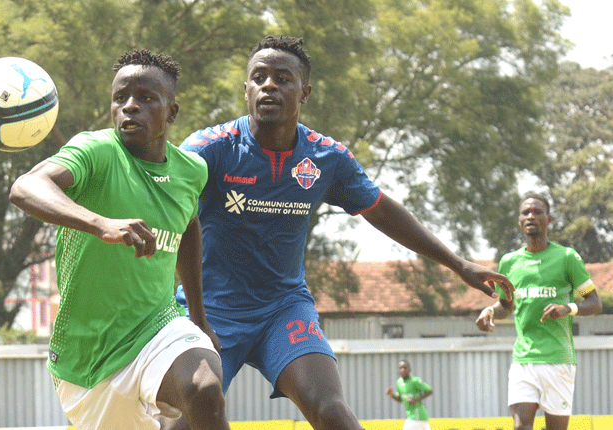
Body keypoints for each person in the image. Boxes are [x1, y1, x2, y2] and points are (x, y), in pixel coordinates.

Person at [164, 35, 515, 430]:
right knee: (190, 419)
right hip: (209, 309)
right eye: (258, 77)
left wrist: (458, 264)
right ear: (246, 88)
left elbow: (380, 209)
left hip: (282, 308)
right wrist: (192, 312)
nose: (269, 85)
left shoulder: (325, 157)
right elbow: (172, 222)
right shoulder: (209, 149)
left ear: (305, 92)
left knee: (331, 411)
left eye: (283, 78)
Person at [9, 49, 230, 430]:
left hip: (159, 326)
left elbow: (189, 227)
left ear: (171, 112)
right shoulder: (96, 150)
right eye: (121, 98)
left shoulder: (192, 170)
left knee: (204, 386)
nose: (130, 107)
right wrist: (100, 224)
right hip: (88, 360)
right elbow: (26, 186)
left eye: (146, 98)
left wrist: (198, 316)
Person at [476, 194, 602, 430]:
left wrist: (568, 308)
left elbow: (595, 303)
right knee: (521, 427)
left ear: (549, 219)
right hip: (524, 359)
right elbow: (506, 305)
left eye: (537, 212)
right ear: (519, 221)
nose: (531, 216)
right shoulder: (509, 262)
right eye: (525, 212)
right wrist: (490, 310)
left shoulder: (567, 258)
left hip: (558, 360)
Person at [386, 360, 432, 430]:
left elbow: (429, 391)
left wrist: (416, 400)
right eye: (400, 368)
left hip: (417, 415)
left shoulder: (415, 380)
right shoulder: (399, 382)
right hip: (417, 417)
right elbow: (400, 399)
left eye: (405, 367)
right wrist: (392, 395)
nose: (402, 369)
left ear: (409, 370)